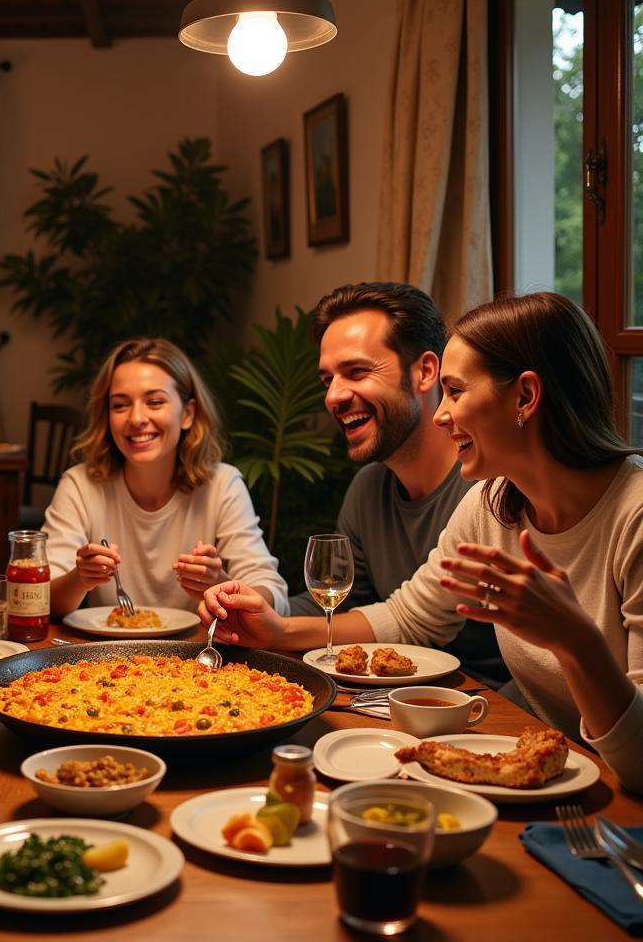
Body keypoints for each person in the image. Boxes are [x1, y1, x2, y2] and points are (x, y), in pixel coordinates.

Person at [202, 292, 643, 791]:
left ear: (524, 397)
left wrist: (576, 641)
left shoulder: (635, 516)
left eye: (455, 391)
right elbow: (411, 618)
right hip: (536, 768)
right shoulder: (492, 503)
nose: (441, 414)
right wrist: (277, 632)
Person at [290, 281, 505, 685]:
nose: (334, 396)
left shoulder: (494, 492)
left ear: (426, 371)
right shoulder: (368, 488)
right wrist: (253, 607)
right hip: (390, 703)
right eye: (327, 380)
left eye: (356, 372)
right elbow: (341, 607)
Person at [43, 337, 289, 617]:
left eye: (155, 402)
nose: (136, 418)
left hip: (198, 657)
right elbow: (38, 601)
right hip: (108, 658)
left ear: (188, 413)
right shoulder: (79, 485)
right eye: (120, 405)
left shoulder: (223, 485)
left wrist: (219, 584)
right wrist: (79, 578)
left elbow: (274, 599)